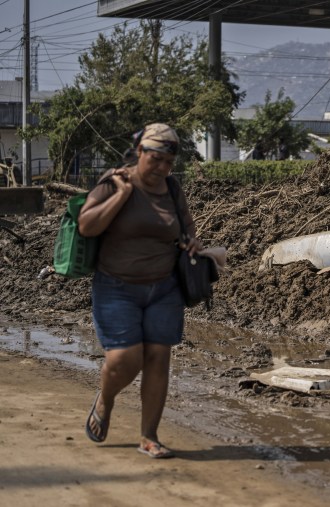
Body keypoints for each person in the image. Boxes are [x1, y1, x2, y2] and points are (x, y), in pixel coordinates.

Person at [78, 123, 202, 459]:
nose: (162, 168)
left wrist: (192, 242)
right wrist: (120, 196)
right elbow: (87, 226)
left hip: (164, 288)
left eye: (168, 162)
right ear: (140, 152)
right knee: (124, 360)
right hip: (116, 286)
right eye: (156, 159)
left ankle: (149, 437)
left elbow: (186, 226)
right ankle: (106, 399)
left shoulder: (173, 188)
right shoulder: (115, 180)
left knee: (158, 358)